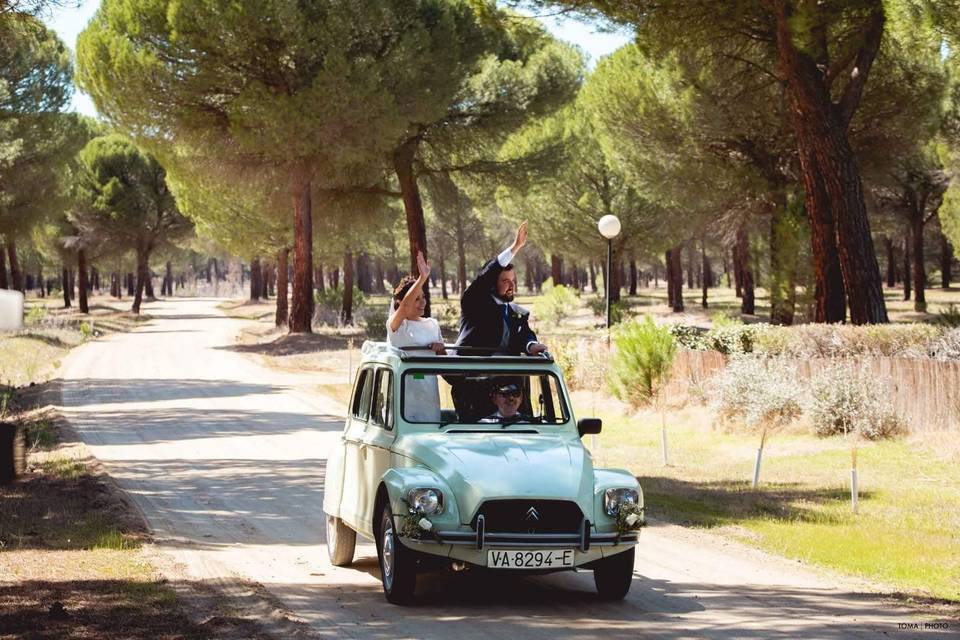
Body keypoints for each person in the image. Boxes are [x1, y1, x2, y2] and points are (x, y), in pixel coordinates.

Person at [454, 220, 547, 356]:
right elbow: (486, 276)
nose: (512, 285)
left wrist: (530, 345)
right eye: (505, 281)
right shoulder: (474, 302)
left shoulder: (517, 312)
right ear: (492, 283)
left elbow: (524, 335)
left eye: (513, 280)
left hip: (505, 374)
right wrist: (515, 247)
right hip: (471, 372)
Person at [387, 251, 444, 422]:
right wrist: (422, 279)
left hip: (429, 396)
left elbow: (443, 362)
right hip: (404, 398)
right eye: (416, 299)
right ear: (399, 303)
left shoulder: (432, 324)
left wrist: (440, 350)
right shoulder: (396, 324)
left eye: (423, 297)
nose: (422, 303)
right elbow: (404, 309)